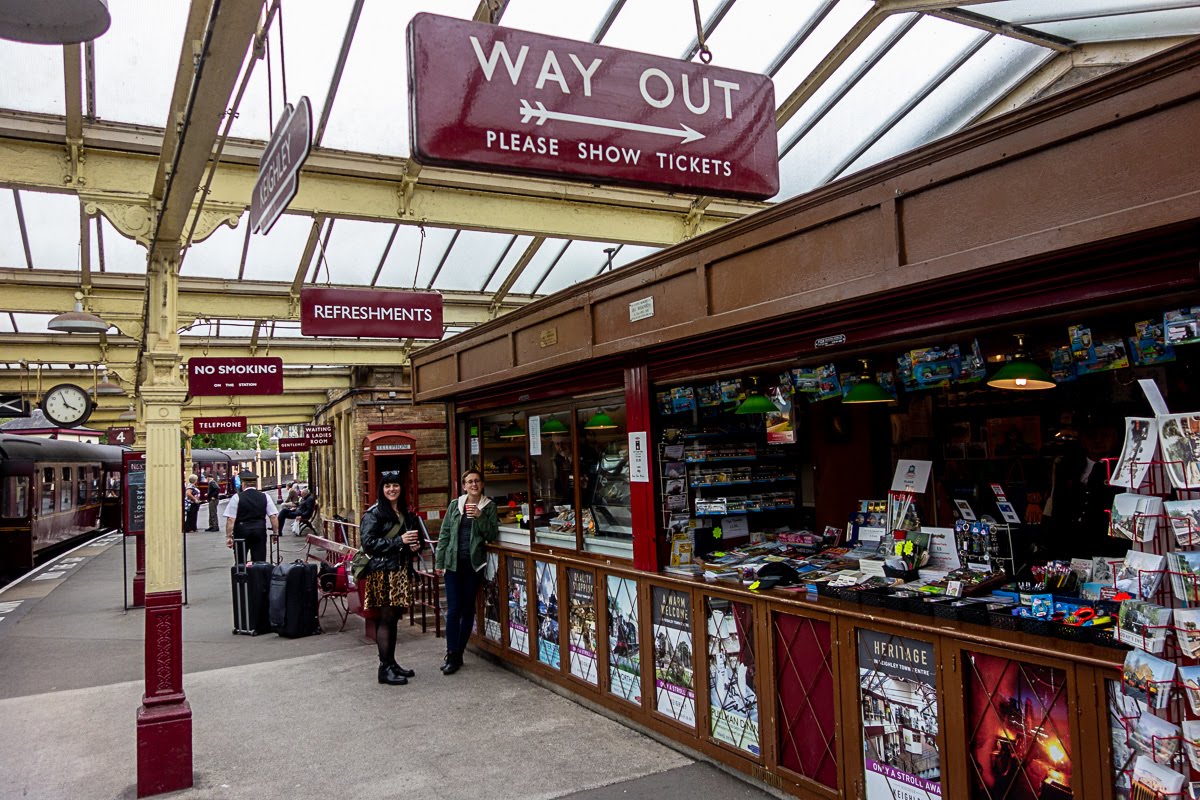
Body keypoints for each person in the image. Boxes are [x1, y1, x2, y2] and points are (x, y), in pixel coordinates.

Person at [359, 470, 424, 685]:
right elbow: (369, 543)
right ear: (382, 490)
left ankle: (391, 662)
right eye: (387, 486)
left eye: (395, 485)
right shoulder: (374, 514)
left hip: (400, 572)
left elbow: (415, 541)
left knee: (394, 618)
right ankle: (384, 668)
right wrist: (399, 542)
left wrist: (415, 546)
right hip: (383, 573)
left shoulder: (407, 513)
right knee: (386, 618)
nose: (392, 489)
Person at [435, 469, 500, 675]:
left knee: (467, 610)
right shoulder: (456, 505)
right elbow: (445, 534)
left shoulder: (489, 507)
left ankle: (459, 653)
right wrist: (439, 560)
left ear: (482, 485)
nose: (473, 485)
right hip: (453, 564)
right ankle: (451, 652)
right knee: (453, 610)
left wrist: (480, 517)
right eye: (469, 482)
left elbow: (491, 534)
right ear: (464, 486)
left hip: (473, 565)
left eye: (477, 481)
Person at [223, 471, 278, 562]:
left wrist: (228, 536)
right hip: (259, 530)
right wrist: (275, 533)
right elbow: (273, 516)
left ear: (243, 484)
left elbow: (231, 519)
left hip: (241, 532)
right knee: (259, 560)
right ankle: (258, 575)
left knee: (240, 560)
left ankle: (241, 575)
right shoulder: (265, 496)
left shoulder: (237, 497)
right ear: (255, 484)